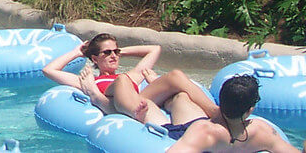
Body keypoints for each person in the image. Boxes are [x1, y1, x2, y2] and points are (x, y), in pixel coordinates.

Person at [43, 33, 218, 128]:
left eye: (115, 52)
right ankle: (136, 113)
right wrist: (78, 52)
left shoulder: (130, 75)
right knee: (122, 81)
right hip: (120, 102)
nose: (113, 56)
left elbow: (154, 49)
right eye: (107, 53)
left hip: (138, 98)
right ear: (95, 59)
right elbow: (49, 70)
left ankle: (215, 111)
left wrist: (120, 50)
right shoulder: (89, 81)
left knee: (176, 75)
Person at [167, 74, 303, 152]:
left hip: (184, 131)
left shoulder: (204, 131)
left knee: (181, 98)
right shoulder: (262, 131)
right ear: (250, 110)